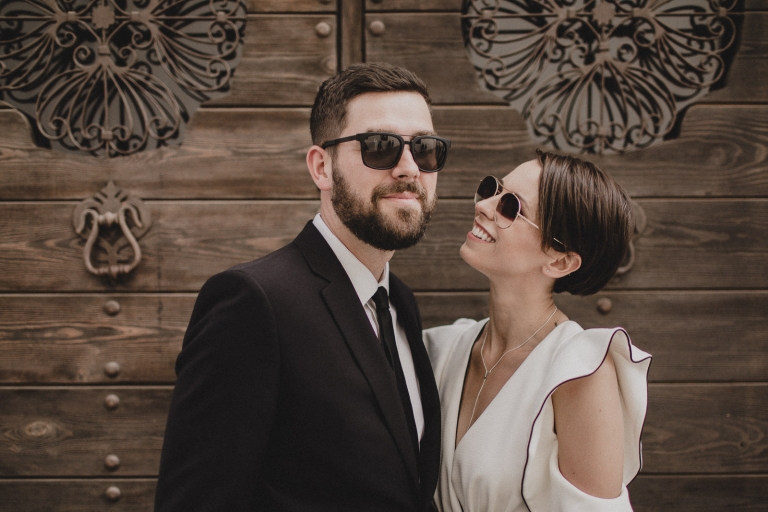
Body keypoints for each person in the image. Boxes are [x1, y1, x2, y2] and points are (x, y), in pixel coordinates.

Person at [154, 62, 451, 511]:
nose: (409, 167)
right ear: (322, 166)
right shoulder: (252, 302)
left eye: (425, 148)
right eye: (381, 146)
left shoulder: (399, 303)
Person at [423, 151, 652, 511]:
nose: (484, 205)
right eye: (492, 189)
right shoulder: (443, 348)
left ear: (560, 261)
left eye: (510, 206)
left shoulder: (580, 372)